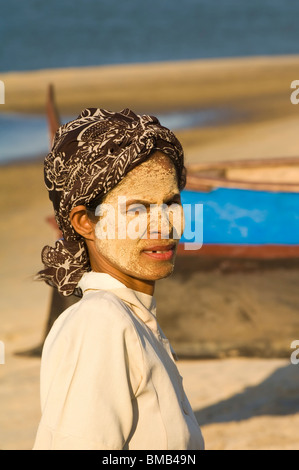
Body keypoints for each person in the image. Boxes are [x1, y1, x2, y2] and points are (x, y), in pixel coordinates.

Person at [33, 107, 204, 450]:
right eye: (137, 209)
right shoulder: (101, 322)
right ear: (85, 222)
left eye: (171, 202)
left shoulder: (134, 318)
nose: (165, 224)